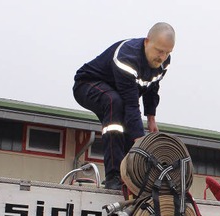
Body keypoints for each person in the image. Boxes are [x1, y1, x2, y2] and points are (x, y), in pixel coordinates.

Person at [73, 22, 175, 190]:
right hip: (87, 85)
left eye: (167, 52)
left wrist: (151, 117)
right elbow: (131, 104)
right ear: (146, 42)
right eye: (159, 51)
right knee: (116, 107)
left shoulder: (163, 62)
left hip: (117, 95)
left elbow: (152, 87)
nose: (162, 57)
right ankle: (113, 176)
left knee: (129, 130)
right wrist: (142, 144)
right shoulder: (127, 57)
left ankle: (128, 178)